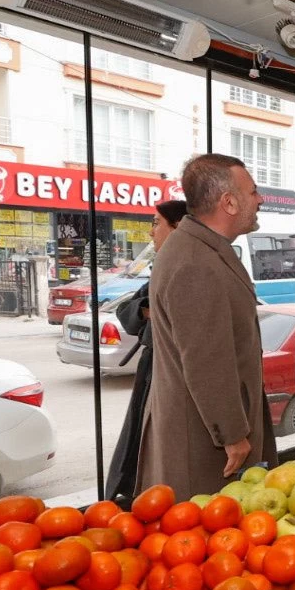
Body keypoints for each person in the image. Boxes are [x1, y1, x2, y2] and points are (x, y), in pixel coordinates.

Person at [136, 154, 277, 499]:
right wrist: (232, 435)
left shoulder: (202, 249)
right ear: (228, 202)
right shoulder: (195, 262)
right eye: (253, 192)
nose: (260, 200)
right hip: (204, 448)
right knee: (204, 541)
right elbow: (205, 360)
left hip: (205, 434)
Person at [104, 200, 188, 502]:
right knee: (139, 443)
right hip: (153, 369)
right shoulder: (161, 268)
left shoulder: (190, 266)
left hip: (178, 376)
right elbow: (128, 310)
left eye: (156, 223)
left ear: (177, 226)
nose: (152, 232)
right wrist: (147, 311)